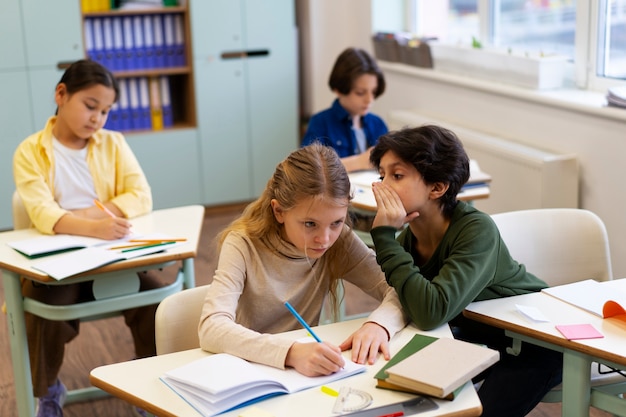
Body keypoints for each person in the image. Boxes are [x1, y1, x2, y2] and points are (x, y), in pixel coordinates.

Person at [368, 125, 563, 417]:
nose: (381, 186)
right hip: (477, 336)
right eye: (381, 175)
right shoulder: (409, 239)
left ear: (437, 187)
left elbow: (430, 311)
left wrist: (383, 236)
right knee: (402, 389)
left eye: (396, 175)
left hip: (536, 343)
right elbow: (412, 303)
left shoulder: (476, 230)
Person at [13, 59, 162, 417]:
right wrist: (96, 224)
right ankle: (47, 390)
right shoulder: (30, 151)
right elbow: (43, 215)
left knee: (158, 302)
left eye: (106, 111)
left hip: (112, 254)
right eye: (90, 106)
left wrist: (77, 218)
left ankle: (150, 381)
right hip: (60, 263)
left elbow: (141, 196)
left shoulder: (113, 143)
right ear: (61, 95)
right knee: (44, 309)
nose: (97, 118)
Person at [198, 143, 407, 377]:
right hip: (247, 370)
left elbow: (403, 289)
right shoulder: (242, 244)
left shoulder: (340, 241)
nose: (324, 239)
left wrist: (379, 325)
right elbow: (212, 327)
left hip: (304, 375)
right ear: (279, 212)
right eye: (310, 224)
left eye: (337, 223)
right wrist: (291, 353)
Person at [301, 47, 387, 172]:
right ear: (339, 90)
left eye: (373, 92)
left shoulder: (378, 124)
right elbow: (307, 169)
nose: (370, 100)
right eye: (360, 93)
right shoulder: (320, 123)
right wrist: (358, 162)